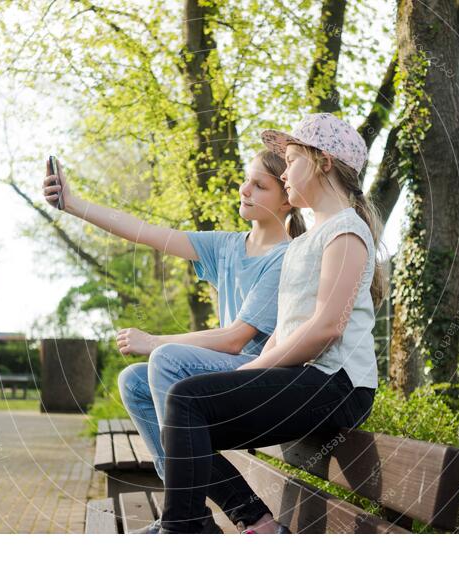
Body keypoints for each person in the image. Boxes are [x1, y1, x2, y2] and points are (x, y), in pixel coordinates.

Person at [42, 150, 305, 532]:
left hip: (257, 380)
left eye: (259, 185)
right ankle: (196, 516)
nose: (244, 189)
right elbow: (143, 231)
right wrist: (72, 204)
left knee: (166, 361)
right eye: (246, 179)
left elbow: (236, 340)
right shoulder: (228, 246)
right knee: (133, 380)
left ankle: (205, 520)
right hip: (222, 379)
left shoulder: (285, 258)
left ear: (286, 199)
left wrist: (154, 341)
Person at [155, 112, 387, 534]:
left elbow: (326, 328)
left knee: (187, 401)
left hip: (339, 385)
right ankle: (242, 525)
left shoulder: (347, 232)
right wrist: (250, 370)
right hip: (306, 379)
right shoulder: (302, 243)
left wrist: (254, 369)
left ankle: (182, 533)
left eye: (293, 159)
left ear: (323, 163)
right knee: (184, 409)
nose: (286, 175)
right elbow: (285, 328)